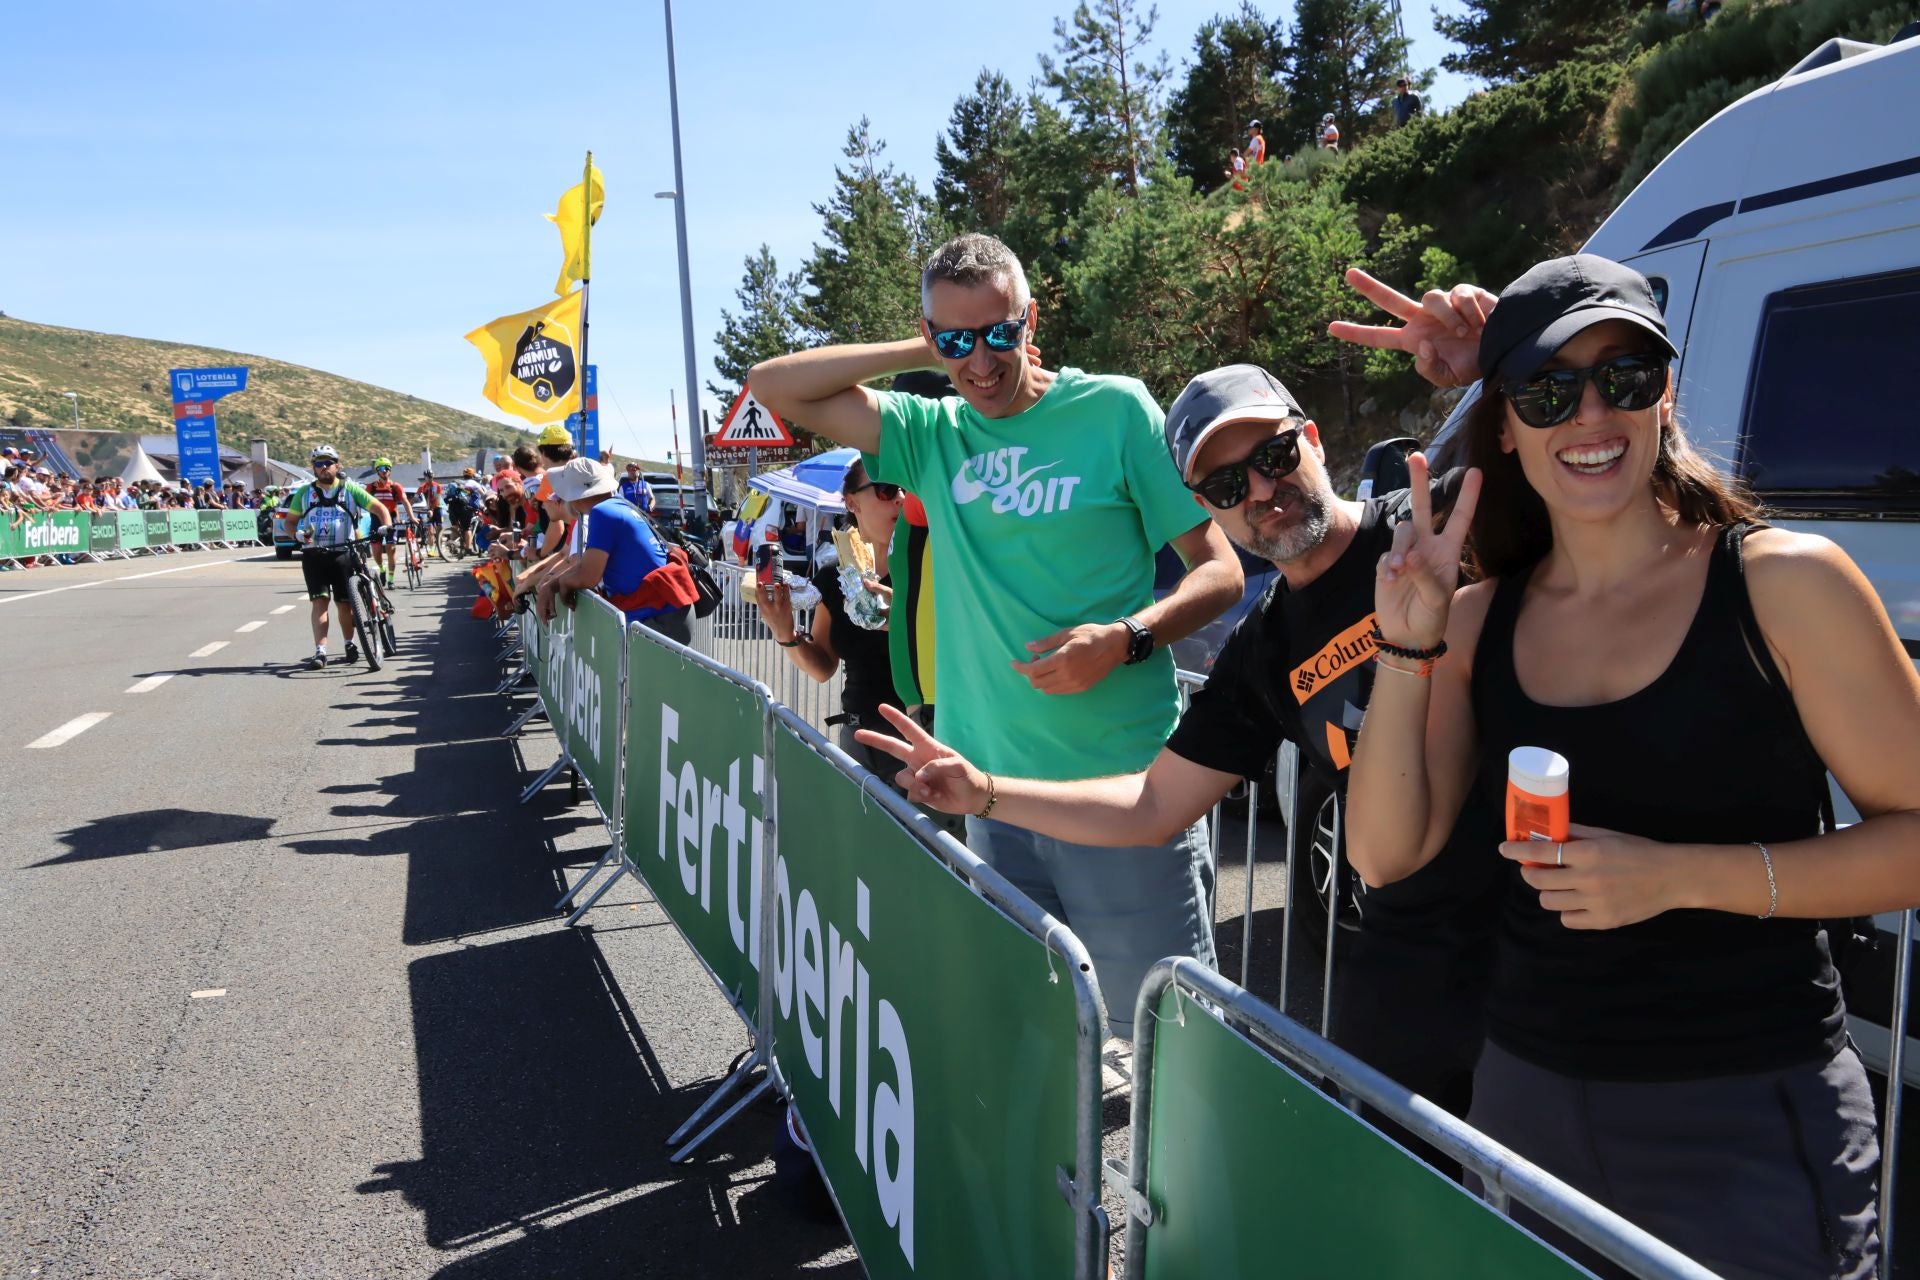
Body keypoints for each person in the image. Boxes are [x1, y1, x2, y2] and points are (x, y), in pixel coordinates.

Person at [1334, 255, 1920, 1279]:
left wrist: (1680, 875)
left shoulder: (1782, 585)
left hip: (1746, 1114)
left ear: (1667, 396)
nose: (1590, 413)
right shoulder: (1476, 620)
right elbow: (1384, 855)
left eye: (1625, 377)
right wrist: (1406, 643)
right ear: (1507, 425)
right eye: (1549, 390)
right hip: (1526, 1102)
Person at [856, 362, 1501, 1129]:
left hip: (1545, 934)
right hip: (1417, 951)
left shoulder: (1434, 525)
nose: (1260, 493)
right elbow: (1155, 803)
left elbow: (1603, 471)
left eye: (1273, 455)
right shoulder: (1264, 651)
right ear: (1204, 508)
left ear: (1314, 441)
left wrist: (1491, 353)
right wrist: (985, 791)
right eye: (1226, 487)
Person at [749, 231, 1244, 1046]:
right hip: (991, 796)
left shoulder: (1114, 409)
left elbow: (1217, 570)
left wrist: (1126, 638)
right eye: (956, 341)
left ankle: (1176, 1180)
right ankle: (1061, 1179)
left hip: (1121, 792)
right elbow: (775, 386)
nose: (979, 362)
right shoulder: (933, 430)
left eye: (999, 333)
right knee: (1028, 1033)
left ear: (1031, 318)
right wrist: (930, 343)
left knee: (1170, 1042)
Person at [535, 458, 697, 643]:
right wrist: (553, 585)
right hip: (668, 612)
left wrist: (560, 585)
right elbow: (587, 567)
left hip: (658, 617)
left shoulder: (602, 512)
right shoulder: (618, 504)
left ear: (576, 494)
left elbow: (588, 575)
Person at [278, 444, 393, 669]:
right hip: (314, 554)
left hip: (344, 552)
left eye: (328, 463)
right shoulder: (304, 492)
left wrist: (386, 526)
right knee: (320, 602)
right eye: (318, 464)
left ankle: (349, 643)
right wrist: (296, 534)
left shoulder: (350, 489)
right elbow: (289, 522)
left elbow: (380, 508)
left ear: (337, 465)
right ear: (313, 468)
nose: (323, 468)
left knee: (344, 605)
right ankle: (320, 651)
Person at [363, 459, 411, 588]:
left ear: (390, 470)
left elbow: (405, 502)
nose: (384, 471)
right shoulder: (371, 487)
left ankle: (390, 579)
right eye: (381, 469)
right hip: (376, 520)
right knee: (376, 550)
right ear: (377, 471)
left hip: (392, 519)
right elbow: (362, 501)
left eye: (387, 468)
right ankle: (382, 569)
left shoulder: (396, 486)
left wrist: (412, 517)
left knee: (391, 549)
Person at [417, 470, 444, 545]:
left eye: (431, 477)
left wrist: (432, 509)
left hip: (437, 508)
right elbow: (415, 498)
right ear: (425, 477)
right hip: (428, 510)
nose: (430, 478)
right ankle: (431, 547)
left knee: (439, 528)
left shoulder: (437, 486)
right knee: (430, 530)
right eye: (428, 477)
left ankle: (440, 545)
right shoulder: (422, 487)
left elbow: (437, 500)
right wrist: (409, 505)